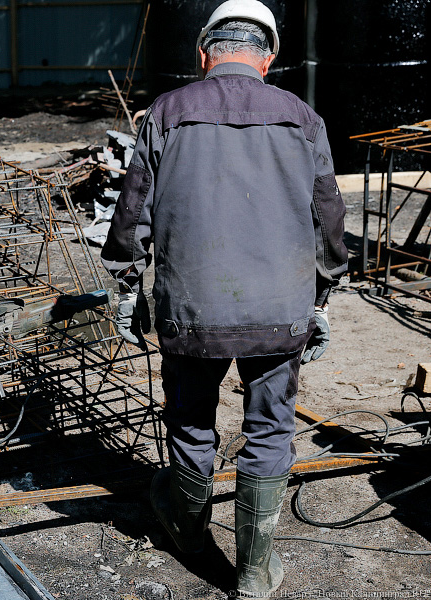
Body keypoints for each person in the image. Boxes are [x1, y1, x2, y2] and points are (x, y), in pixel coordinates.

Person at [99, 0, 347, 596]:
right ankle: (255, 572)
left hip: (192, 310)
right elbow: (329, 218)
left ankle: (187, 532)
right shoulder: (304, 118)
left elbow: (133, 213)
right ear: (270, 58)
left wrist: (128, 287)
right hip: (279, 311)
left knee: (190, 423)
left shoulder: (165, 113)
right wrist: (323, 296)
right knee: (271, 430)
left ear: (203, 53)